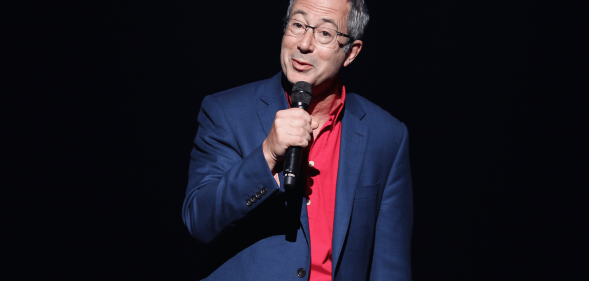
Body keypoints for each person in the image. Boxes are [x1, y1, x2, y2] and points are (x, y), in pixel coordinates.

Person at [182, 0, 413, 280]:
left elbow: (390, 264)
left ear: (351, 52)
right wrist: (266, 155)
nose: (304, 44)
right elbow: (199, 221)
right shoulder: (227, 111)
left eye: (325, 33)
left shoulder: (386, 135)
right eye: (298, 24)